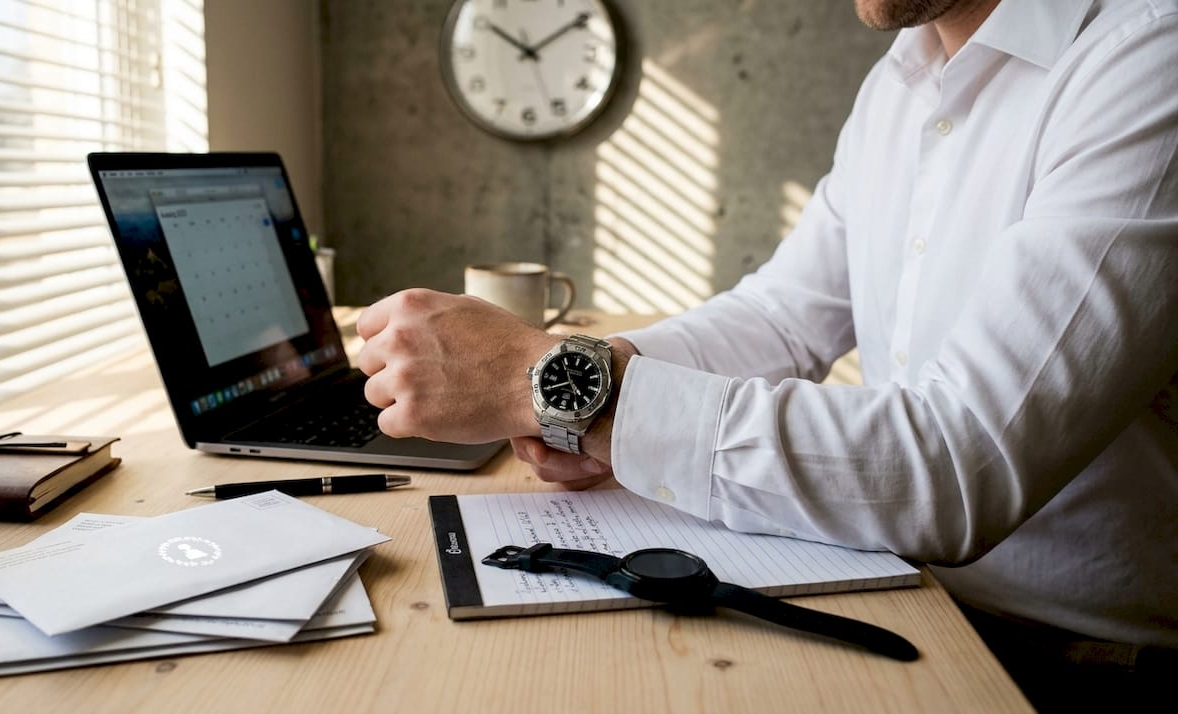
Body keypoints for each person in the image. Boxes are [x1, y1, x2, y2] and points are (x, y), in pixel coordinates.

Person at [356, 0, 1177, 708]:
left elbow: (963, 463)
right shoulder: (902, 81)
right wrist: (588, 372)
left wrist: (563, 387)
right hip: (902, 589)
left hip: (1070, 664)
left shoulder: (1148, 60)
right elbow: (782, 318)